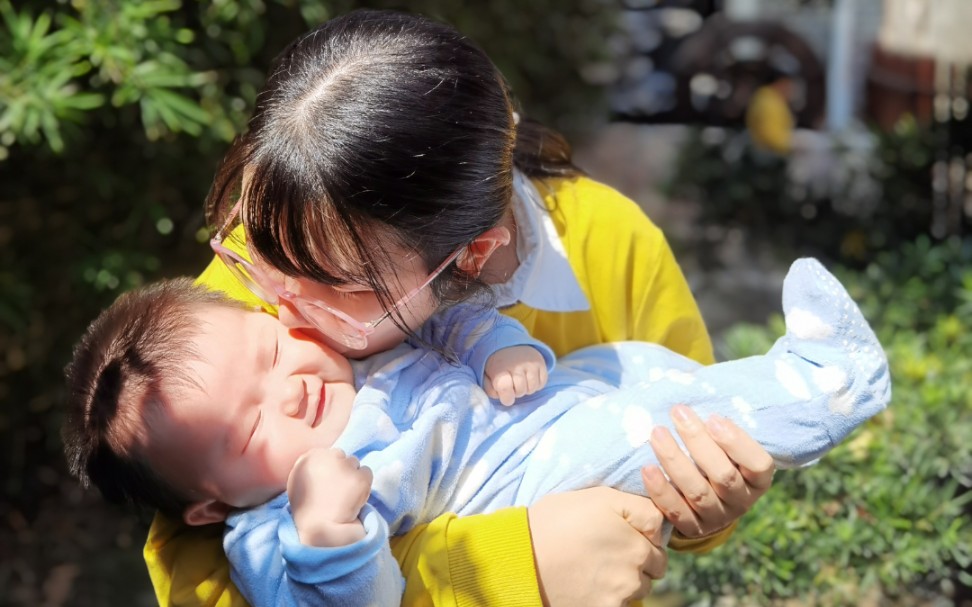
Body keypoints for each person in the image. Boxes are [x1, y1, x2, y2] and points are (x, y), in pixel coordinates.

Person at [146, 8, 778, 607]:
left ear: (472, 257)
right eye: (254, 246)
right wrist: (506, 566)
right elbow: (198, 575)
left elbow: (691, 419)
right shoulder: (266, 264)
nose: (281, 312)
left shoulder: (613, 241)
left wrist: (702, 506)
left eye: (341, 285)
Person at [64, 258, 891, 607]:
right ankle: (830, 385)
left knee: (645, 371)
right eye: (249, 428)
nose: (294, 388)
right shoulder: (277, 524)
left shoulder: (357, 352)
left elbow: (452, 325)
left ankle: (786, 377)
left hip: (557, 408)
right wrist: (325, 534)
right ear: (209, 506)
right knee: (654, 427)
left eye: (275, 349)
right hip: (538, 480)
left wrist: (501, 346)